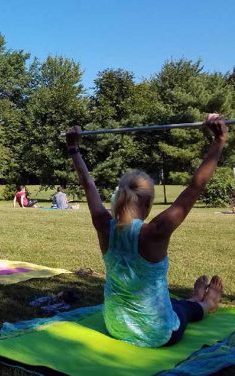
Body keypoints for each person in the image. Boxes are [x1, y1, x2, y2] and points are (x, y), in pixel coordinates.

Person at [65, 113, 227, 347]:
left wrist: (73, 148)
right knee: (183, 311)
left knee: (173, 303)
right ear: (148, 203)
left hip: (115, 326)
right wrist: (219, 140)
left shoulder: (103, 224)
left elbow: (87, 183)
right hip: (158, 334)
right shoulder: (155, 232)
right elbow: (196, 186)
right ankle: (205, 303)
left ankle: (194, 298)